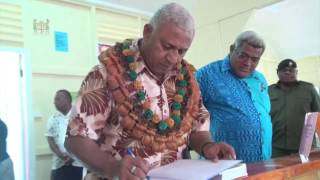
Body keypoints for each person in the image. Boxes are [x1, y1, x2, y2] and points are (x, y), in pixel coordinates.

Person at [65, 3, 236, 180]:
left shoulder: (187, 79)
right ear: (147, 32)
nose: (173, 58)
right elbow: (75, 139)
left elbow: (197, 127)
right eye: (167, 46)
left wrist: (207, 146)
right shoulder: (107, 73)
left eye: (181, 51)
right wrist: (112, 168)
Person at [196, 31, 272, 163]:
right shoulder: (206, 75)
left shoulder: (260, 79)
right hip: (224, 164)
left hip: (264, 161)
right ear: (232, 49)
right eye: (243, 55)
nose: (248, 63)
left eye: (254, 59)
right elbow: (189, 115)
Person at [269, 59, 320, 158]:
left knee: (307, 173)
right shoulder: (269, 91)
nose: (288, 72)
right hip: (276, 146)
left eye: (291, 70)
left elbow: (318, 115)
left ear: (296, 72)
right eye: (284, 70)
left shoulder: (309, 89)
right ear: (277, 72)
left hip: (305, 146)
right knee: (279, 173)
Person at [45, 90, 83, 180]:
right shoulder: (53, 118)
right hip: (59, 164)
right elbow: (50, 139)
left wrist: (73, 157)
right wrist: (61, 155)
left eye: (57, 99)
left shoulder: (81, 116)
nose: (54, 102)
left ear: (67, 100)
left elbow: (87, 141)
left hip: (78, 164)